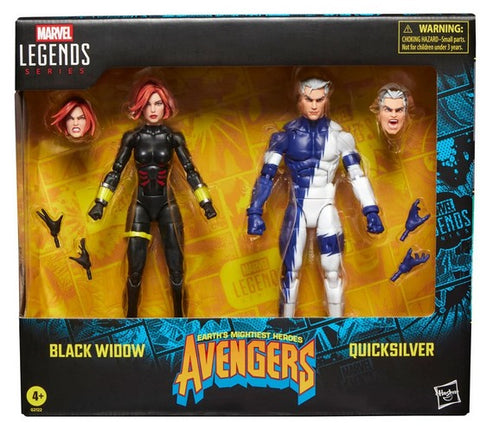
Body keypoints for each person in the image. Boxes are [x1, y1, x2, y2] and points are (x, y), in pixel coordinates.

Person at [247, 77, 384, 317]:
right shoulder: (284, 137)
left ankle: (337, 325)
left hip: (326, 208)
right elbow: (266, 176)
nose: (314, 105)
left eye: (319, 100)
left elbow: (357, 175)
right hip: (297, 209)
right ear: (299, 100)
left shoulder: (340, 137)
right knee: (291, 273)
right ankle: (285, 327)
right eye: (308, 99)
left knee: (333, 273)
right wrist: (255, 211)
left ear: (326, 100)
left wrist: (371, 210)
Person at [89, 79, 216, 317]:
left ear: (165, 106)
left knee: (176, 270)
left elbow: (191, 171)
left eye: (158, 103)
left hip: (167, 205)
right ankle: (131, 319)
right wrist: (100, 203)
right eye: (148, 104)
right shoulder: (133, 138)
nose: (153, 109)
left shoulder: (173, 138)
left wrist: (205, 202)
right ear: (140, 106)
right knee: (134, 271)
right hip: (141, 206)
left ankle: (180, 318)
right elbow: (116, 171)